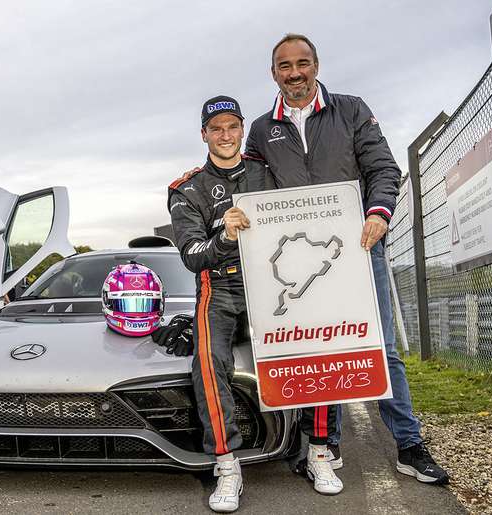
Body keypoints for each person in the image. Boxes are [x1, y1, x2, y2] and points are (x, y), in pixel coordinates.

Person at [245, 33, 449, 486]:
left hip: (358, 248)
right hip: (300, 256)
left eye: (302, 63)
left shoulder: (351, 108)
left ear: (316, 64)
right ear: (273, 72)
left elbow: (382, 168)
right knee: (315, 345)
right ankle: (326, 440)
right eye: (284, 66)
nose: (294, 73)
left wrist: (379, 213)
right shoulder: (261, 129)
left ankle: (409, 445)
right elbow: (254, 190)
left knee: (381, 347)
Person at [167, 96, 272, 512]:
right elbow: (193, 257)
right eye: (216, 128)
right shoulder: (185, 188)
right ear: (204, 134)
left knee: (309, 350)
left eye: (232, 126)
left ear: (242, 129)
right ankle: (226, 464)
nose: (225, 135)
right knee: (208, 364)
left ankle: (318, 450)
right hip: (220, 286)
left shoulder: (268, 172)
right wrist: (225, 235)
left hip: (275, 282)